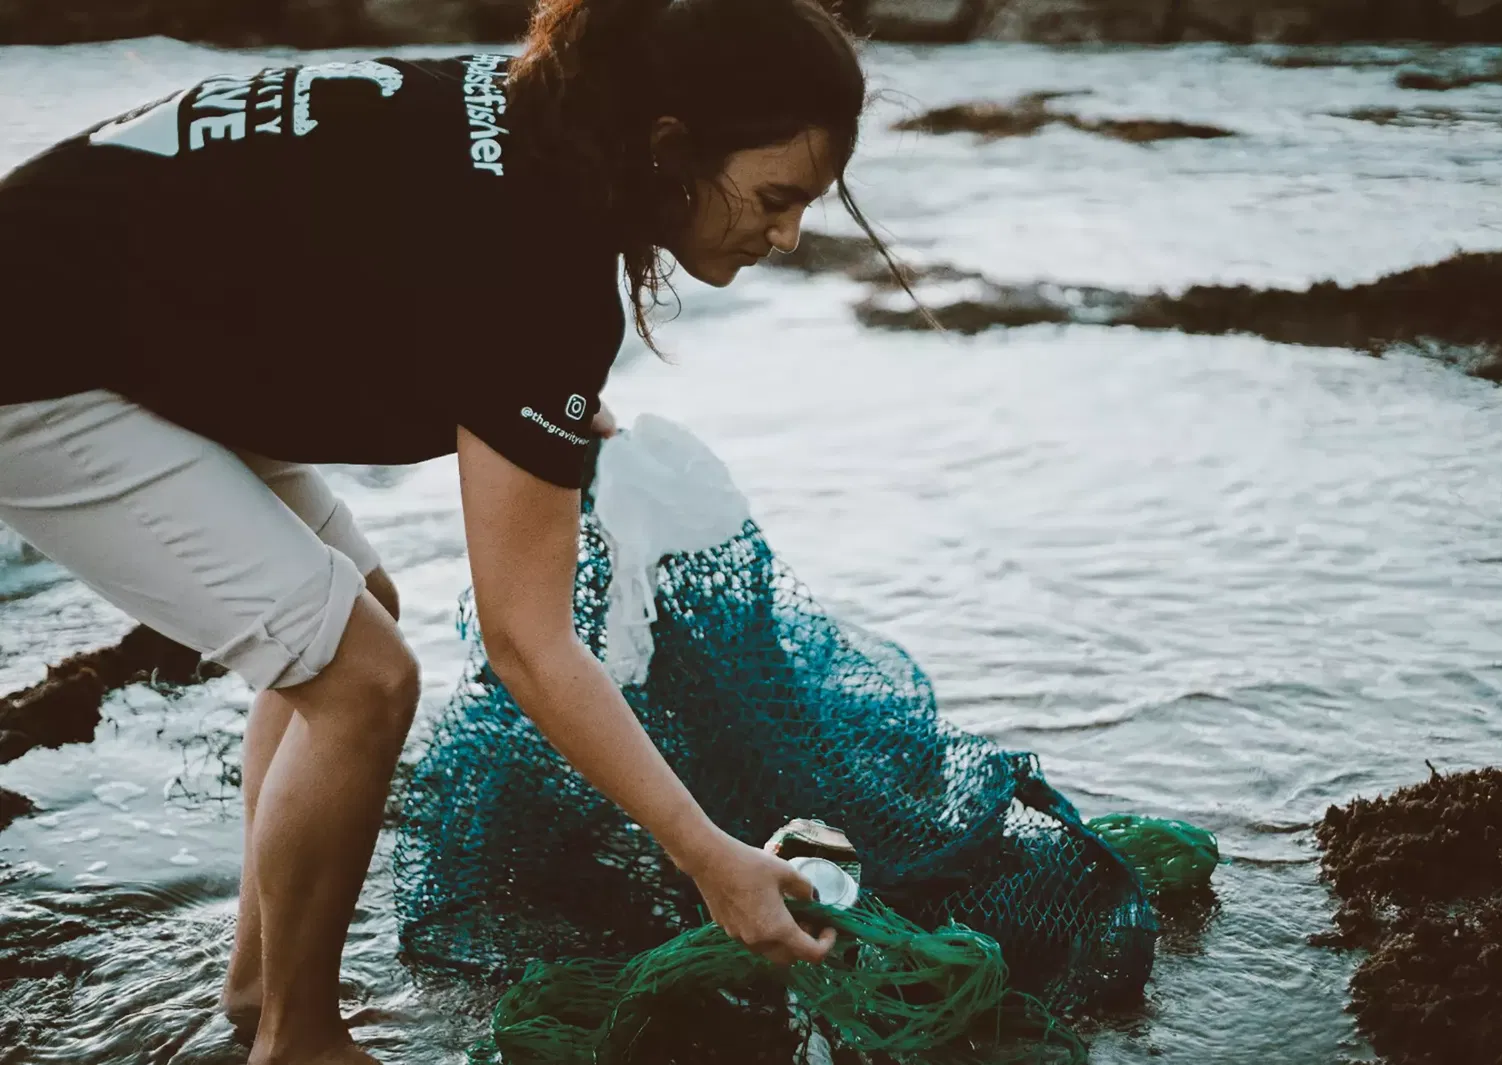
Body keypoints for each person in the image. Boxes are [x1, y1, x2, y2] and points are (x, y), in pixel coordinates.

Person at [0, 1, 911, 1062]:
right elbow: (529, 643)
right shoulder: (538, 255)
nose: (790, 235)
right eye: (775, 196)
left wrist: (555, 408)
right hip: (37, 366)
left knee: (351, 616)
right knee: (361, 679)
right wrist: (707, 856)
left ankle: (260, 988)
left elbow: (411, 269)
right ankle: (297, 1041)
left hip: (102, 323)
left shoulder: (543, 111)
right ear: (670, 148)